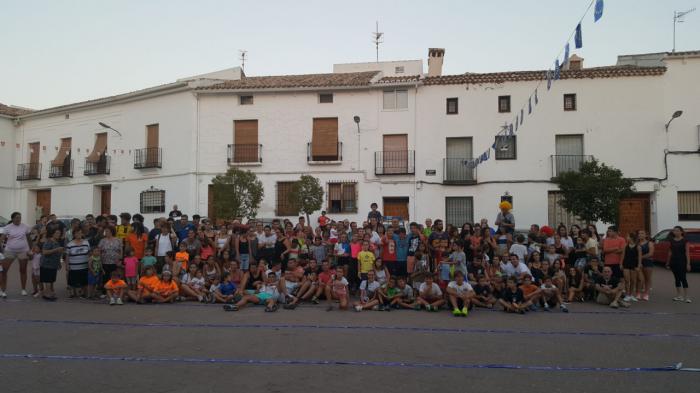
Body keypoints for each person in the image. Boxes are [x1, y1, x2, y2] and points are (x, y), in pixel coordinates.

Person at [0, 212, 32, 297]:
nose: (19, 219)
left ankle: (23, 289)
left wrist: (30, 250)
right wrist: (2, 250)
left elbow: (29, 239)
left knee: (23, 270)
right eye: (17, 217)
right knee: (3, 271)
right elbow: (1, 239)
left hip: (23, 250)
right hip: (10, 251)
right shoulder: (7, 227)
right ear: (13, 218)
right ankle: (2, 291)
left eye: (20, 217)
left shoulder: (25, 227)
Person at [666, 226, 691, 303]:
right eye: (674, 231)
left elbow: (687, 253)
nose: (676, 232)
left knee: (683, 278)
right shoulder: (671, 240)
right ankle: (679, 295)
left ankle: (686, 297)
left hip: (682, 262)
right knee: (676, 279)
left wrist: (688, 264)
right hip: (674, 262)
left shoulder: (685, 241)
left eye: (677, 230)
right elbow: (670, 252)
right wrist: (668, 262)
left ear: (681, 232)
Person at [65, 227, 91, 298]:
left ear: (82, 234)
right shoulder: (70, 244)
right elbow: (67, 256)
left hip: (84, 265)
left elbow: (89, 254)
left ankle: (83, 293)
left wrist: (90, 263)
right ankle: (74, 293)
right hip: (74, 266)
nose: (79, 234)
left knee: (84, 280)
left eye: (80, 233)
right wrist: (67, 265)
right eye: (77, 233)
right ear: (74, 234)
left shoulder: (86, 242)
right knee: (73, 280)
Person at [39, 229, 63, 301]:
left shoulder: (56, 242)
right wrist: (56, 249)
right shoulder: (49, 241)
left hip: (53, 264)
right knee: (48, 280)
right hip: (47, 264)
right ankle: (47, 295)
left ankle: (50, 293)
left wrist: (59, 263)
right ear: (52, 234)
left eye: (59, 233)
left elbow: (58, 255)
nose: (59, 234)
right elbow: (44, 252)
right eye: (57, 233)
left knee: (51, 280)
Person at [98, 226, 123, 290]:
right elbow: (99, 251)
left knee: (115, 276)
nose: (105, 233)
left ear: (111, 232)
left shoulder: (118, 240)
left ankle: (115, 290)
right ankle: (105, 291)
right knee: (105, 276)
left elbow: (121, 251)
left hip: (115, 262)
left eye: (107, 231)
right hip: (105, 261)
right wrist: (99, 260)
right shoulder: (102, 241)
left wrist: (120, 260)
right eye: (105, 231)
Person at [621, 232, 642, 302]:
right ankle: (627, 295)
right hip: (626, 264)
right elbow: (622, 256)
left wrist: (638, 266)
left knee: (633, 280)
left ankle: (631, 294)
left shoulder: (638, 247)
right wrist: (621, 264)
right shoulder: (625, 246)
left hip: (634, 265)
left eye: (628, 236)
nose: (627, 238)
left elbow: (639, 257)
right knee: (627, 280)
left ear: (631, 238)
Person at [637, 230, 655, 301]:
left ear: (646, 235)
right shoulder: (637, 243)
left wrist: (640, 257)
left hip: (648, 262)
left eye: (642, 233)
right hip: (638, 263)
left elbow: (651, 253)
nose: (640, 235)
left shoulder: (649, 243)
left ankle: (646, 294)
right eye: (639, 233)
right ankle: (638, 293)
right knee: (639, 279)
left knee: (647, 278)